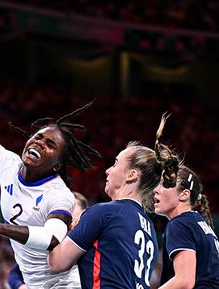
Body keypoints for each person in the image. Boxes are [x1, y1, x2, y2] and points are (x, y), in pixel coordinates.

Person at [0, 29, 100, 288]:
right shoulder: (9, 165)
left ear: (57, 164)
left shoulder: (59, 195)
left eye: (49, 145)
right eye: (37, 136)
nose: (38, 143)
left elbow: (52, 238)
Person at [46, 114, 180, 289]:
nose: (108, 170)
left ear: (132, 175)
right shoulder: (150, 232)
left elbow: (56, 262)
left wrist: (53, 225)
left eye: (115, 164)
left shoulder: (105, 212)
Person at [154, 165, 219, 288]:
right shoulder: (201, 224)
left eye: (165, 184)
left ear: (184, 195)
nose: (156, 190)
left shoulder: (179, 224)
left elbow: (184, 280)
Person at [7, 191, 89, 289]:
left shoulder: (90, 243)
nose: (67, 212)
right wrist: (20, 286)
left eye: (72, 208)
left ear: (84, 212)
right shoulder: (50, 239)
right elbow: (14, 274)